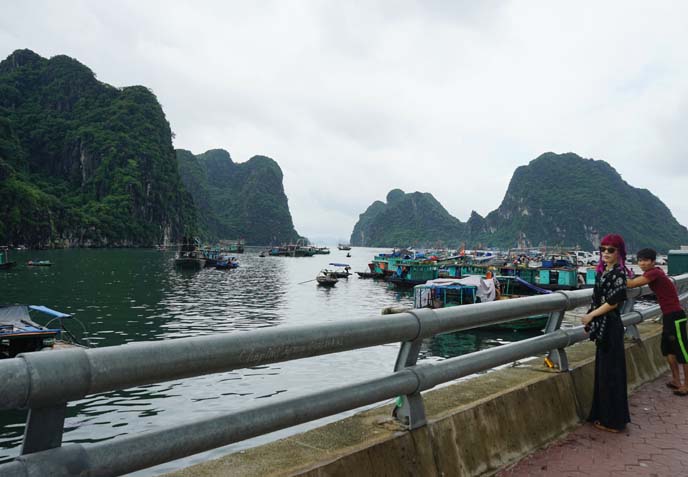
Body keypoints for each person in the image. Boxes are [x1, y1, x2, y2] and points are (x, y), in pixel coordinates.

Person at [580, 234, 631, 432]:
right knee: (603, 371)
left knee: (612, 373)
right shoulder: (603, 273)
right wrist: (590, 319)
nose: (606, 253)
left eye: (611, 250)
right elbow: (597, 298)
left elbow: (614, 302)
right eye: (603, 249)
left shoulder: (619, 274)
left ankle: (614, 421)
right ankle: (602, 414)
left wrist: (591, 315)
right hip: (602, 327)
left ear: (619, 253)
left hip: (611, 326)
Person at [627, 248, 688, 395]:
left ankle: (686, 385)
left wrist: (614, 276)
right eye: (640, 260)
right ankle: (676, 380)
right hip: (668, 316)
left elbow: (632, 284)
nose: (642, 263)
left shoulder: (654, 272)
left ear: (653, 262)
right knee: (668, 350)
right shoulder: (655, 272)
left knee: (682, 352)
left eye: (646, 260)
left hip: (675, 316)